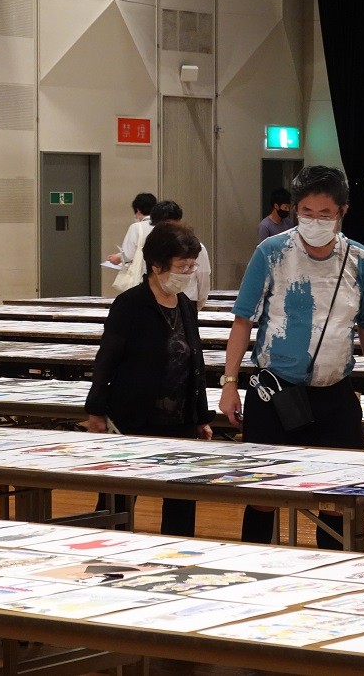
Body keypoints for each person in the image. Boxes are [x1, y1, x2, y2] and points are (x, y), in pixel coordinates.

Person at [219, 165, 364, 550]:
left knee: (338, 498)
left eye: (325, 214)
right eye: (307, 212)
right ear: (295, 210)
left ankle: (334, 570)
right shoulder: (271, 252)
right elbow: (243, 320)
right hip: (275, 393)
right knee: (263, 496)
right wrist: (229, 383)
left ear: (343, 212)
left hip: (334, 393)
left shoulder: (359, 259)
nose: (315, 221)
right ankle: (251, 564)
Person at [85, 222, 213, 536]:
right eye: (182, 266)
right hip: (134, 416)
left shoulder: (185, 305)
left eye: (192, 266)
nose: (188, 273)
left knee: (182, 499)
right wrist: (96, 410)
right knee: (118, 498)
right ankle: (107, 549)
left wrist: (201, 417)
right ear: (157, 266)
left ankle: (178, 553)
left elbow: (194, 362)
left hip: (180, 419)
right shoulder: (131, 304)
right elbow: (107, 359)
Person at [149, 200, 211, 311]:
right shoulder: (153, 247)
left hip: (188, 301)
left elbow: (203, 280)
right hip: (155, 301)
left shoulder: (194, 247)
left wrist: (197, 307)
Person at [107, 192, 157, 266]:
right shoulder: (162, 226)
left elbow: (128, 256)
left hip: (141, 270)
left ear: (138, 210)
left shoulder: (136, 227)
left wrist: (119, 257)